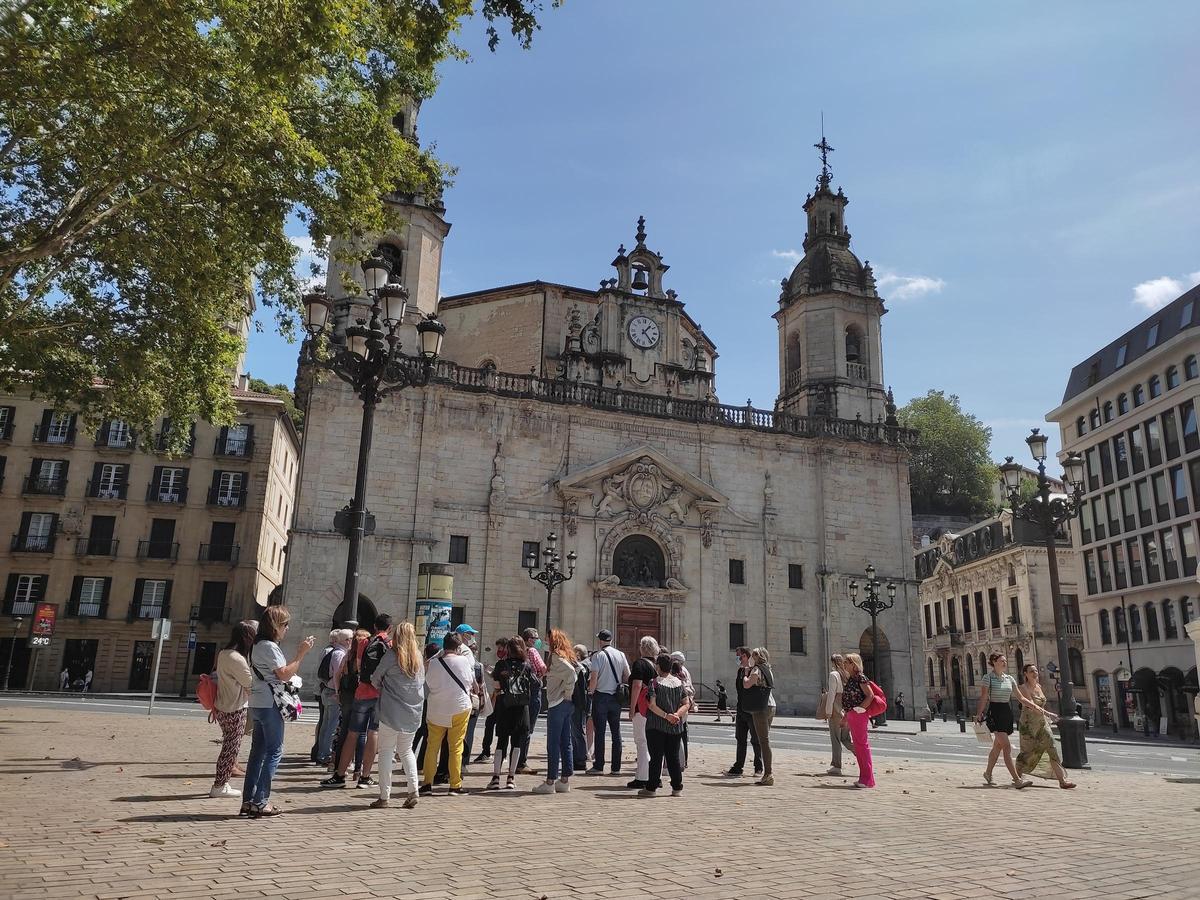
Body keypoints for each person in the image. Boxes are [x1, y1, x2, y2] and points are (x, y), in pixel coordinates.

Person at [243, 606, 314, 817]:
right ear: (275, 626)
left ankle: (249, 800)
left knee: (257, 752)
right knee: (274, 751)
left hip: (258, 701)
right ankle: (261, 801)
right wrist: (301, 654)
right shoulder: (269, 646)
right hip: (270, 702)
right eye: (284, 625)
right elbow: (283, 675)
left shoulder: (256, 645)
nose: (287, 629)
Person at [324, 615, 391, 788]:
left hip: (362, 692)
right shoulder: (389, 645)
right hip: (379, 694)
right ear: (389, 628)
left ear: (375, 626)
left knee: (352, 733)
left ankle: (339, 775)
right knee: (373, 733)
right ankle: (365, 776)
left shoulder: (363, 643)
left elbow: (359, 668)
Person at [369, 622, 425, 809]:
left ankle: (384, 796)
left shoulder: (391, 655)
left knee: (386, 751)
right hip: (412, 712)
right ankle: (413, 790)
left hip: (391, 710)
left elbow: (375, 678)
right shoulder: (417, 656)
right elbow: (421, 683)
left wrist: (384, 687)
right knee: (407, 751)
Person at [420, 632, 475, 796]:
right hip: (459, 707)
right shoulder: (463, 661)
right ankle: (455, 785)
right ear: (458, 647)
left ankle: (427, 783)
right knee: (456, 747)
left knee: (432, 747)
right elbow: (469, 682)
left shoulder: (433, 663)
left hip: (436, 708)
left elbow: (428, 682)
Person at [976, 653, 1036, 788]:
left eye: (1005, 661)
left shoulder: (1009, 678)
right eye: (1002, 661)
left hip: (1007, 713)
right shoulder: (988, 678)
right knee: (1007, 747)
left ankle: (988, 773)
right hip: (995, 713)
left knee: (997, 747)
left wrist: (1035, 707)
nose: (1004, 663)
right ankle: (1017, 780)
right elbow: (984, 697)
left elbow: (1020, 698)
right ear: (994, 662)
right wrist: (979, 714)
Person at [210, 620, 255, 798]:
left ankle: (222, 784)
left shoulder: (224, 653)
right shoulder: (237, 658)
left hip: (222, 705)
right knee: (231, 747)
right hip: (235, 706)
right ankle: (220, 786)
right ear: (246, 638)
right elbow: (249, 684)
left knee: (229, 745)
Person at [1014, 664, 1076, 790]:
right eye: (1031, 671)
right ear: (1025, 674)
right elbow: (1032, 706)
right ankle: (1018, 777)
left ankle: (1062, 781)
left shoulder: (1039, 686)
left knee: (1051, 747)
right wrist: (1049, 714)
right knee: (1028, 752)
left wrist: (1047, 715)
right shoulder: (1023, 688)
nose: (1035, 672)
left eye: (1036, 670)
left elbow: (1041, 706)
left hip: (1042, 723)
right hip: (1028, 725)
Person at [534, 628, 578, 795]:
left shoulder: (556, 656)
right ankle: (565, 779)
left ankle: (551, 780)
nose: (545, 642)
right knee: (565, 740)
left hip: (558, 702)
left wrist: (567, 692)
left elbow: (571, 673)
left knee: (553, 742)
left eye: (547, 639)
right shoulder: (566, 654)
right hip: (565, 703)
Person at [638, 653, 689, 797]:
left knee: (656, 757)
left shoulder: (654, 683)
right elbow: (687, 703)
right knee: (673, 757)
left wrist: (667, 716)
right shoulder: (678, 682)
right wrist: (677, 715)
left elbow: (652, 705)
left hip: (656, 725)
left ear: (658, 666)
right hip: (675, 726)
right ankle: (677, 786)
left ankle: (652, 787)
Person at [488, 636, 533, 790]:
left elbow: (496, 686)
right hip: (521, 707)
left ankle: (495, 778)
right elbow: (533, 684)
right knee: (517, 743)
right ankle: (511, 778)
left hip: (504, 706)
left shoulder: (501, 665)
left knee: (501, 741)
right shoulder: (526, 665)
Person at [588, 629, 629, 773]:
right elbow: (627, 675)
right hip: (616, 698)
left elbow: (594, 677)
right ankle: (616, 767)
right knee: (616, 732)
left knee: (600, 732)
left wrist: (590, 692)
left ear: (600, 641)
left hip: (601, 696)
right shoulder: (621, 655)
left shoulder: (598, 656)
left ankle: (599, 765)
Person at [314, 628, 352, 766]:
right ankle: (325, 754)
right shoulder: (339, 654)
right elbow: (337, 675)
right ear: (346, 641)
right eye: (350, 639)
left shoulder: (334, 651)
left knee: (326, 724)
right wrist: (338, 692)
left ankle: (322, 753)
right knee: (331, 725)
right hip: (332, 692)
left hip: (327, 690)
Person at [627, 635, 660, 789]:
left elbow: (636, 685)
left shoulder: (640, 664)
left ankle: (642, 777)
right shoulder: (657, 665)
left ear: (641, 648)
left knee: (641, 742)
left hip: (642, 708)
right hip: (656, 709)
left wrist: (632, 707)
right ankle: (655, 777)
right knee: (654, 744)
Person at [841, 653, 876, 789]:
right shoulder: (851, 678)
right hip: (852, 714)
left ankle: (867, 779)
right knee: (859, 746)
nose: (844, 664)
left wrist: (861, 708)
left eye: (847, 662)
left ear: (854, 664)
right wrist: (845, 717)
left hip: (859, 714)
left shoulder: (860, 677)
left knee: (862, 746)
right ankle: (864, 777)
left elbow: (870, 695)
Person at [741, 647, 775, 786]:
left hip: (761, 707)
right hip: (771, 705)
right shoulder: (769, 669)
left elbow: (747, 685)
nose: (752, 659)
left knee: (764, 741)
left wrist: (745, 675)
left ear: (757, 657)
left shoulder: (757, 669)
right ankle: (768, 773)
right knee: (765, 739)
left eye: (753, 656)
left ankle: (768, 774)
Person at [726, 646, 763, 777]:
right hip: (741, 708)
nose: (738, 659)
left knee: (755, 739)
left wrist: (747, 673)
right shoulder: (740, 671)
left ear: (746, 656)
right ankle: (738, 765)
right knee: (740, 738)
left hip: (752, 710)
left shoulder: (755, 670)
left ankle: (759, 766)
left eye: (740, 656)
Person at [817, 654, 855, 776]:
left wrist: (828, 711)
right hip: (846, 709)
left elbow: (832, 695)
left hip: (836, 709)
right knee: (845, 738)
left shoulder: (834, 675)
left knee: (836, 738)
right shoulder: (847, 675)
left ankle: (836, 766)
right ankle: (862, 755)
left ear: (833, 663)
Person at [516, 627, 547, 774]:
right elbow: (543, 668)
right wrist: (541, 677)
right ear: (529, 639)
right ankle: (522, 762)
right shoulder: (532, 651)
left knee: (519, 727)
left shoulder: (518, 651)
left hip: (520, 692)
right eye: (536, 638)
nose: (538, 641)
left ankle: (515, 760)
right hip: (533, 692)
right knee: (528, 729)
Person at [474, 637, 508, 763]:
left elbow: (497, 681)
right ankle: (492, 752)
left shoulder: (503, 663)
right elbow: (496, 677)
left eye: (500, 647)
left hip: (500, 697)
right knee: (493, 724)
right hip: (499, 697)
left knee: (496, 725)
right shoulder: (505, 663)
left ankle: (495, 753)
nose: (498, 650)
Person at [571, 642, 592, 770]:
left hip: (578, 701)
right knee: (580, 727)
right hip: (585, 701)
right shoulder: (590, 664)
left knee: (577, 729)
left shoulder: (581, 666)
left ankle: (580, 759)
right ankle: (580, 757)